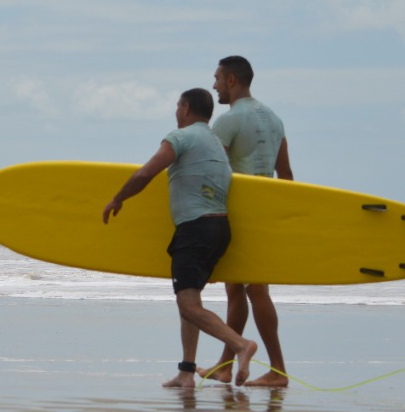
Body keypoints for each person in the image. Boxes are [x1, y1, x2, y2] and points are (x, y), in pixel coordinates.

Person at [102, 88, 258, 388]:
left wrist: (118, 199)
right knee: (189, 300)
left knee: (188, 306)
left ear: (185, 108)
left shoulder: (181, 138)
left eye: (177, 106)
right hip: (219, 229)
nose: (176, 112)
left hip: (195, 229)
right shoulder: (214, 142)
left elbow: (146, 173)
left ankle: (241, 345)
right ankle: (186, 372)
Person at [200, 56, 294, 388]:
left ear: (231, 80)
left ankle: (278, 370)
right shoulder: (274, 119)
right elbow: (286, 175)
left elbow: (214, 173)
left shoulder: (228, 121)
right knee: (237, 289)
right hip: (264, 212)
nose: (213, 85)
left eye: (217, 78)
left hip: (238, 214)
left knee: (255, 290)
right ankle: (225, 366)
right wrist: (281, 219)